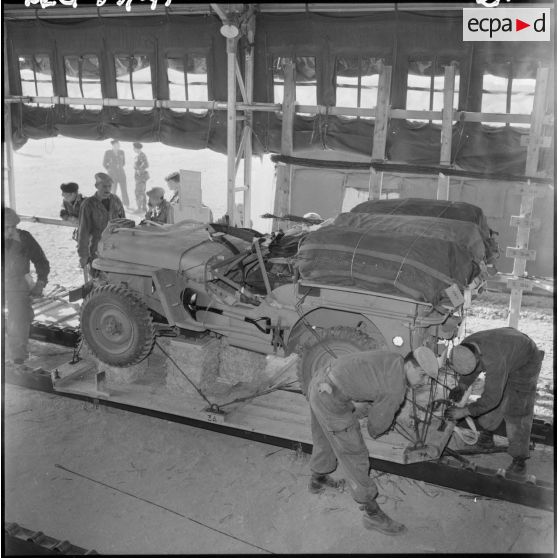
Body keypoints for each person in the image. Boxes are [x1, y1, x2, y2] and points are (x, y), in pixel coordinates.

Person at [308, 347, 439, 535]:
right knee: (355, 455)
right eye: (422, 375)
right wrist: (380, 426)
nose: (423, 382)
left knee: (324, 435)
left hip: (320, 381)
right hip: (331, 399)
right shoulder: (396, 389)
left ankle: (317, 479)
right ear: (409, 365)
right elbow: (376, 426)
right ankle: (372, 514)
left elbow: (369, 382)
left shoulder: (394, 357)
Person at [445, 327, 544, 479]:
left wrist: (464, 411)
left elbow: (492, 399)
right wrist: (463, 384)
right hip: (509, 347)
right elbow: (471, 370)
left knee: (517, 409)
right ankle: (487, 434)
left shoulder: (495, 360)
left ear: (479, 359)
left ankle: (519, 459)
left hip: (526, 360)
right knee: (494, 392)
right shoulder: (466, 346)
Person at [4, 207, 50, 364]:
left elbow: (41, 261)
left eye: (13, 227)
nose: (10, 231)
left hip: (18, 282)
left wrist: (40, 282)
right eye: (6, 227)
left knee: (20, 316)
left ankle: (18, 356)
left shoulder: (24, 238)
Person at [77, 172, 126, 274]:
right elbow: (83, 231)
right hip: (97, 249)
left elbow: (124, 222)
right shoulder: (88, 204)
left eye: (109, 186)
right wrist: (83, 255)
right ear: (96, 186)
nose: (107, 189)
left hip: (116, 248)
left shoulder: (116, 200)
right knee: (99, 280)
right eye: (104, 186)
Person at [103, 139, 129, 207]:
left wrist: (118, 168)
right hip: (112, 175)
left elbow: (123, 163)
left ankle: (126, 204)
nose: (117, 146)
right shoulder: (108, 152)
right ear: (113, 145)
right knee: (113, 190)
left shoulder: (121, 152)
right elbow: (104, 163)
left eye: (118, 145)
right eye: (116, 145)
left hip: (121, 174)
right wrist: (110, 169)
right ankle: (111, 204)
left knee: (124, 189)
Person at [133, 142, 149, 213]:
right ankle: (144, 208)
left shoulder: (141, 155)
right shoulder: (138, 155)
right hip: (139, 177)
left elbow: (146, 164)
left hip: (141, 177)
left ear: (137, 148)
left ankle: (139, 208)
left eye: (134, 148)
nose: (133, 149)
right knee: (142, 192)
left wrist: (139, 170)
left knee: (138, 192)